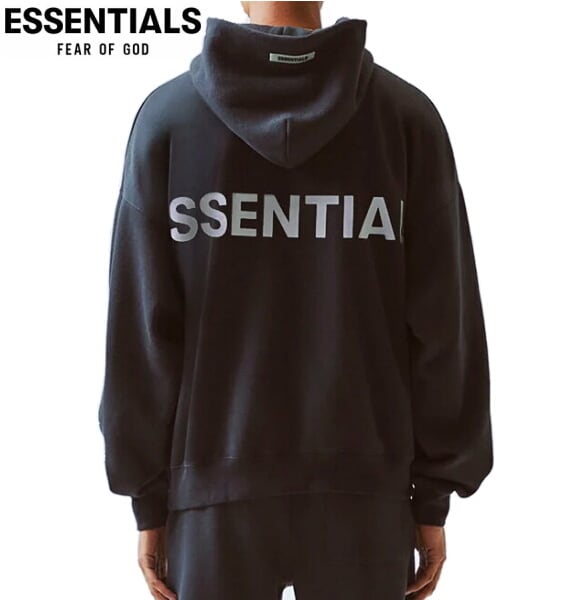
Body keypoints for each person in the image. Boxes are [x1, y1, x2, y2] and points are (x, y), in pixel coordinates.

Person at [98, 2, 494, 599]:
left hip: (213, 496)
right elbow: (445, 325)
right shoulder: (405, 118)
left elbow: (141, 331)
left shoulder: (169, 120)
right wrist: (434, 494)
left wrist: (148, 498)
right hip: (366, 494)